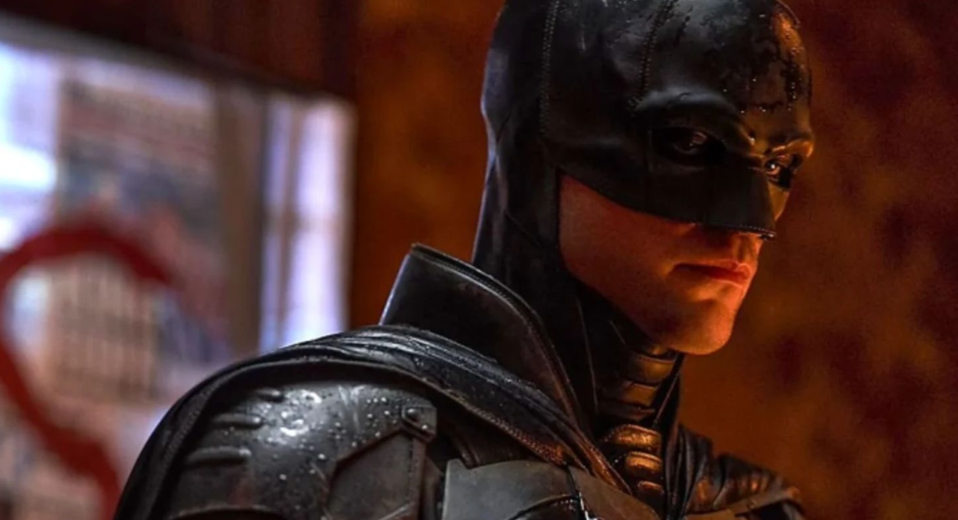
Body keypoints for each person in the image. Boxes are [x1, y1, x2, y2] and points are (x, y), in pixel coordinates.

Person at [116, 0, 815, 518]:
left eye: (779, 166)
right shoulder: (310, 447)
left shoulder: (753, 509)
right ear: (539, 146)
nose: (748, 224)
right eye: (691, 145)